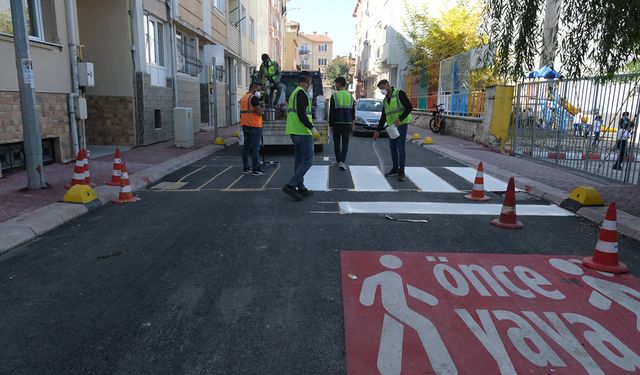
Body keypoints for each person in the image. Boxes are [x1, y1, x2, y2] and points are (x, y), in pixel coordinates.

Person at [282, 71, 320, 201]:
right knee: (309, 161)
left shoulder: (294, 93)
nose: (309, 86)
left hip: (295, 131)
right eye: (309, 83)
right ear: (307, 82)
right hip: (303, 132)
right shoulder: (301, 93)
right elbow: (302, 114)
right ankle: (291, 185)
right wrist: (312, 128)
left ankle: (301, 187)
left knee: (299, 161)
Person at [373, 79, 414, 181]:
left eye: (382, 88)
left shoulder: (399, 93)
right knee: (392, 147)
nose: (382, 91)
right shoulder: (385, 100)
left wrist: (400, 119)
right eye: (380, 89)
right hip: (392, 127)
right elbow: (383, 116)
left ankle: (402, 172)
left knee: (401, 147)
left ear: (388, 85)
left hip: (402, 124)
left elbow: (409, 107)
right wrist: (378, 130)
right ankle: (395, 169)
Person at [329, 77, 355, 170]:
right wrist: (352, 123)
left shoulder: (335, 95)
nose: (335, 85)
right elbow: (353, 111)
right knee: (345, 143)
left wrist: (330, 124)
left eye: (336, 83)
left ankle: (338, 160)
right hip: (347, 123)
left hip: (337, 123)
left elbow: (331, 111)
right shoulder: (350, 96)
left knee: (336, 143)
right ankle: (342, 162)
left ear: (340, 84)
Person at [240, 82, 264, 175]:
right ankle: (256, 169)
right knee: (255, 149)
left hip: (245, 126)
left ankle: (246, 168)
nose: (259, 92)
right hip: (254, 126)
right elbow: (259, 112)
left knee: (246, 148)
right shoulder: (253, 98)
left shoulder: (243, 98)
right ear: (253, 89)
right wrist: (262, 109)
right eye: (258, 90)